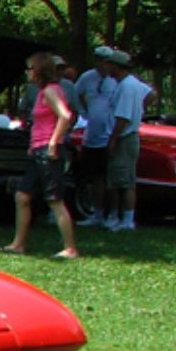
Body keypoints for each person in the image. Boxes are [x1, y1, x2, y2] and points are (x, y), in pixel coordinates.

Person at [0, 52, 78, 258]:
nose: (27, 72)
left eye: (30, 68)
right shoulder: (42, 91)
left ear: (39, 70)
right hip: (38, 149)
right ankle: (18, 244)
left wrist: (52, 143)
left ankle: (70, 248)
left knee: (55, 200)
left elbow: (65, 116)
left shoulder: (51, 91)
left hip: (48, 151)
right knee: (22, 196)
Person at [102, 49, 153, 232]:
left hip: (125, 138)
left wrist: (114, 139)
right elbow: (151, 93)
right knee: (116, 180)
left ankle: (127, 220)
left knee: (125, 182)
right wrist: (140, 109)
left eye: (109, 64)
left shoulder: (127, 87)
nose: (106, 67)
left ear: (116, 66)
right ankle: (116, 217)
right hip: (125, 137)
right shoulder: (131, 83)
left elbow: (122, 117)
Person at [72, 46, 121, 226]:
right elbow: (75, 93)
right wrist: (83, 111)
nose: (103, 63)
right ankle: (97, 213)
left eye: (106, 60)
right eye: (99, 59)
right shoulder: (87, 77)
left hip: (110, 135)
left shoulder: (117, 80)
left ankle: (115, 215)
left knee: (112, 178)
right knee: (95, 177)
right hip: (92, 135)